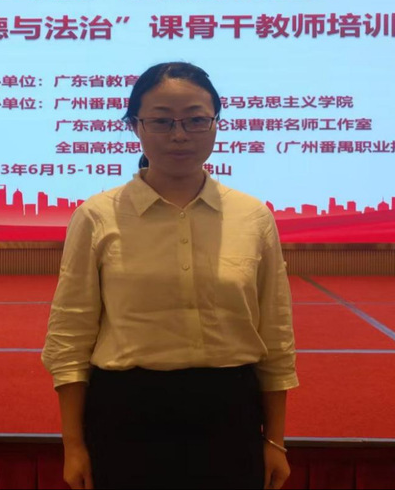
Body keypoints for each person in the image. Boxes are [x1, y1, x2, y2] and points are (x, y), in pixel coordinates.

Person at [42, 62, 298, 490]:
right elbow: (69, 337)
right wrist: (73, 445)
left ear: (216, 123)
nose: (180, 135)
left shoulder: (252, 217)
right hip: (126, 416)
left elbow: (276, 336)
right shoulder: (96, 217)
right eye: (161, 121)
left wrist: (275, 440)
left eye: (196, 120)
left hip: (229, 415)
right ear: (134, 126)